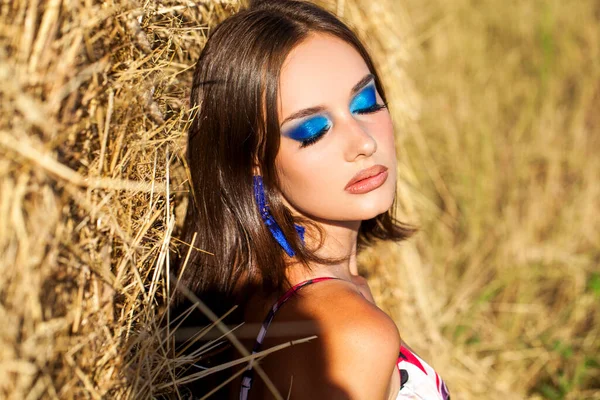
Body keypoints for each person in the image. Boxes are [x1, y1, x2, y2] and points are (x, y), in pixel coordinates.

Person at [172, 0, 450, 399]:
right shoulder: (350, 333)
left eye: (366, 104)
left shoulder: (252, 290)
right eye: (313, 130)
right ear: (255, 162)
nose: (364, 142)